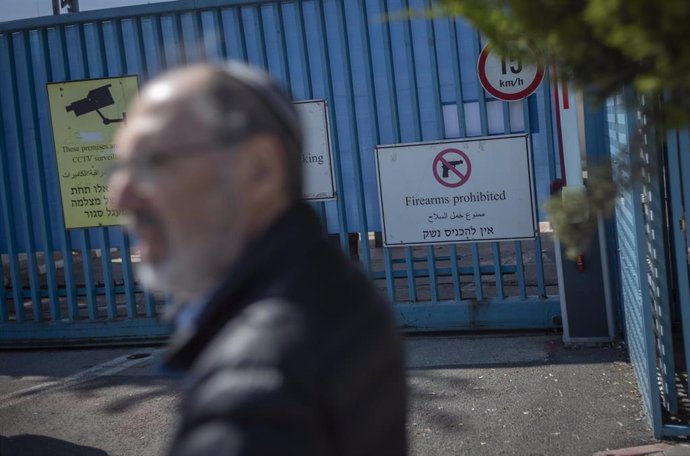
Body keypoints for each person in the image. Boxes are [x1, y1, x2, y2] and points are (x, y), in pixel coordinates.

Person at [108, 62, 407, 456]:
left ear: (260, 170)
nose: (120, 196)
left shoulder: (259, 375)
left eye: (154, 161)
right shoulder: (328, 291)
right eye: (122, 166)